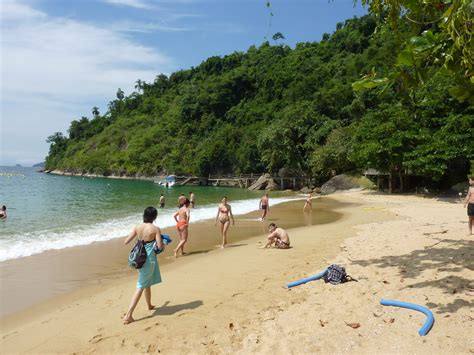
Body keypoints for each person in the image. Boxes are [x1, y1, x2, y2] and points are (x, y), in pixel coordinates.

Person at [123, 207, 163, 324]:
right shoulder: (155, 229)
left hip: (139, 258)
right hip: (149, 259)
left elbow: (126, 241)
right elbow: (160, 247)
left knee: (146, 282)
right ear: (154, 217)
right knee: (141, 285)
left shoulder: (137, 227)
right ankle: (128, 315)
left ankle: (149, 305)